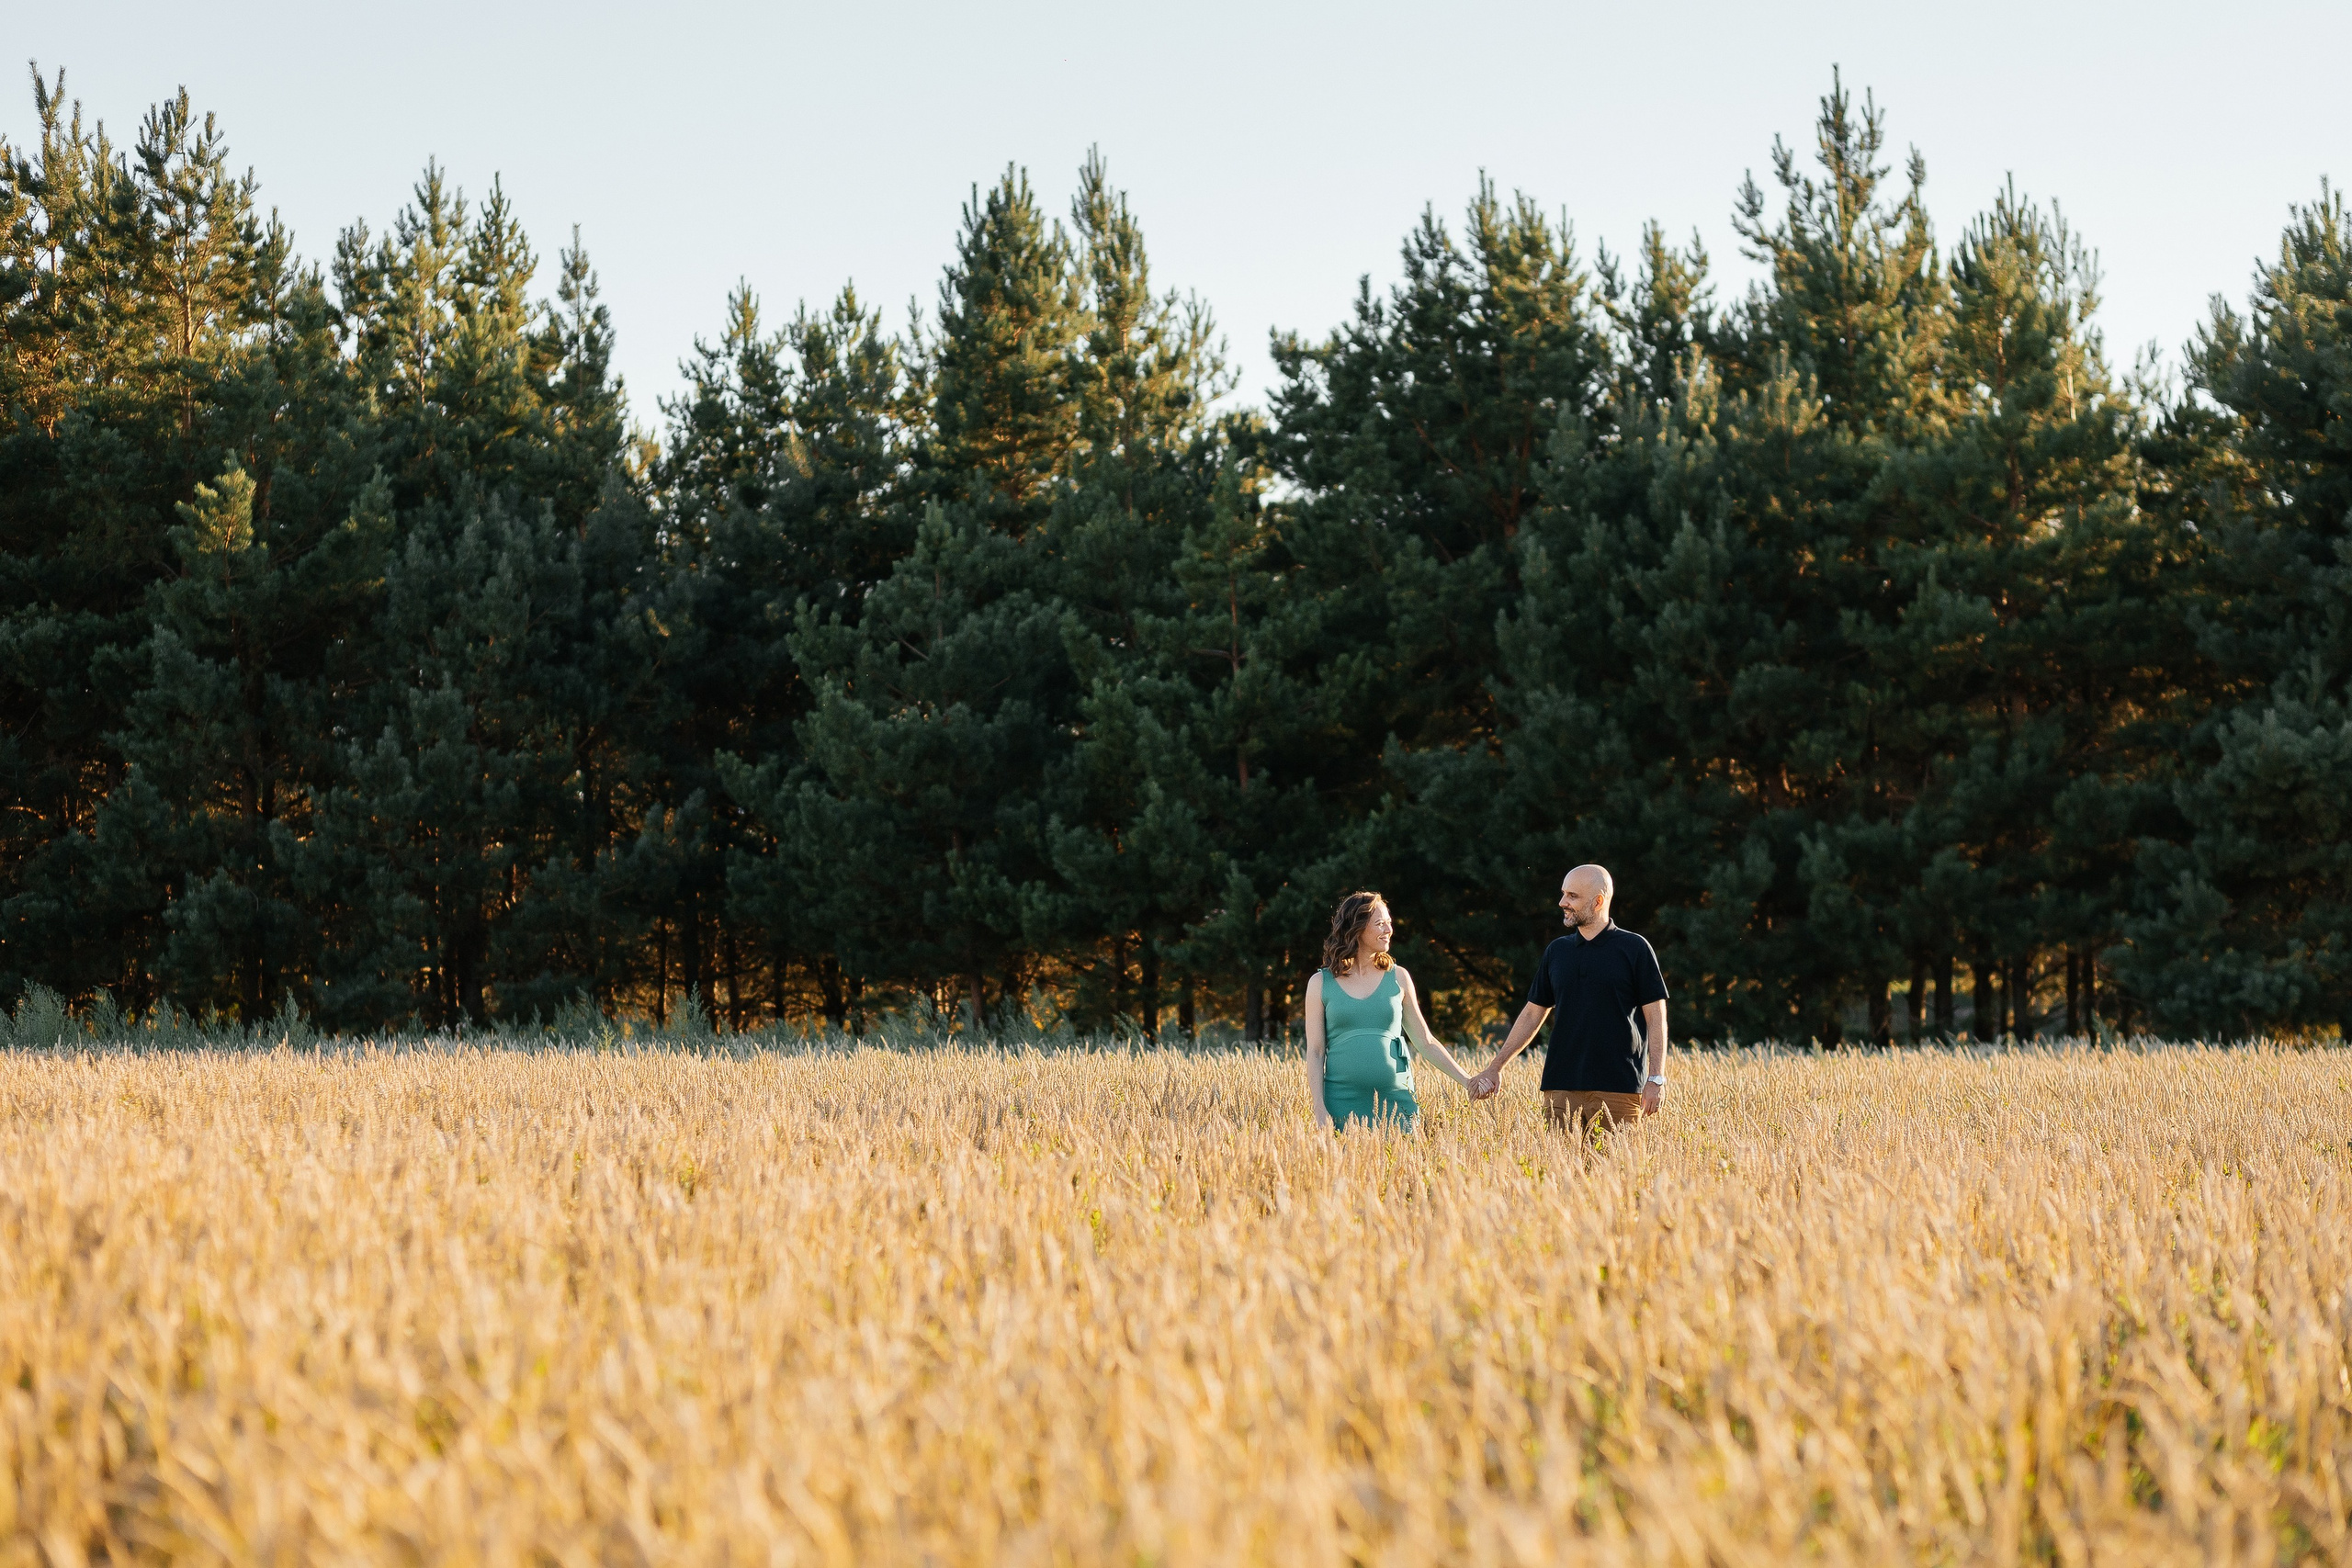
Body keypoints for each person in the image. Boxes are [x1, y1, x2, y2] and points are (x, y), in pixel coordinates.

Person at [1470, 864, 1669, 1136]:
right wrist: (1495, 1067)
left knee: (1615, 1165)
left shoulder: (1635, 948)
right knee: (1558, 1163)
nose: (1562, 902)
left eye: (1572, 896)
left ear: (1598, 901)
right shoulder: (1557, 951)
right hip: (1560, 1088)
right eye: (1564, 893)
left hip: (1618, 1089)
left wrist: (1655, 1078)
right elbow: (1531, 1014)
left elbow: (1656, 1018)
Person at [1306, 891, 1480, 1132]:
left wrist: (1467, 1080)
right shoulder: (1320, 983)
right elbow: (1315, 1051)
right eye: (1380, 923)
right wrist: (1319, 1107)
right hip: (1341, 1103)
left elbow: (1426, 1042)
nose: (1388, 929)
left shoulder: (1399, 977)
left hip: (1397, 1103)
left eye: (1389, 922)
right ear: (1356, 927)